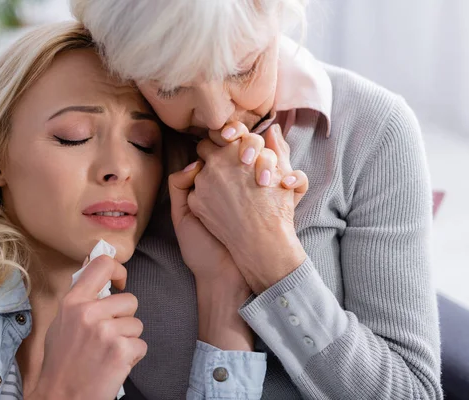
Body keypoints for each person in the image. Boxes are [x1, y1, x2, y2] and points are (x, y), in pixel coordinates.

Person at [0, 21, 307, 400]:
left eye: (143, 145)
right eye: (73, 136)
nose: (119, 168)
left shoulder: (128, 358)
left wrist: (221, 289)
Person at [71, 0, 443, 399]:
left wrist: (266, 247)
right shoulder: (107, 152)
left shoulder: (373, 129)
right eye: (169, 85)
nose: (216, 116)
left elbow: (414, 392)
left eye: (242, 69)